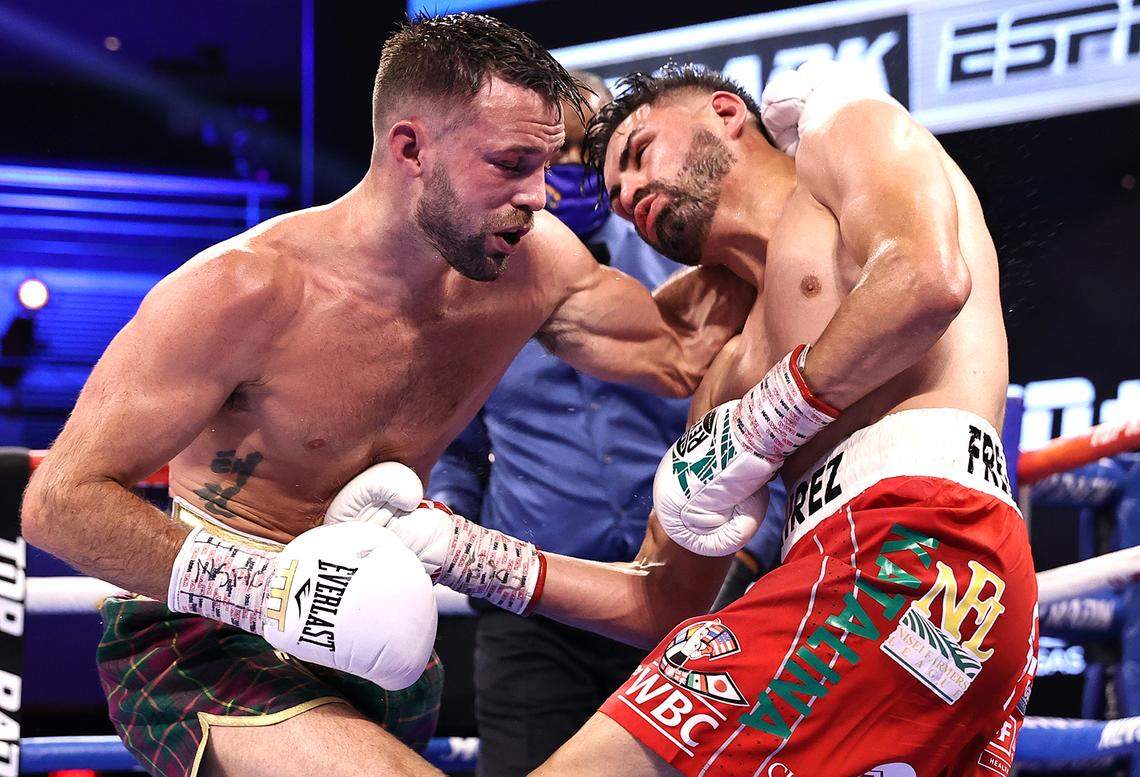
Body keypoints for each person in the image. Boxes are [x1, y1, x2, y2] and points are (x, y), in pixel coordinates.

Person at [18, 18, 753, 776]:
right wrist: (273, 592)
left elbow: (682, 352)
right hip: (210, 633)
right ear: (410, 149)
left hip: (386, 646)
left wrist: (775, 190)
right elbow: (58, 503)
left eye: (543, 165)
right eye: (510, 164)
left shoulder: (535, 270)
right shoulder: (244, 290)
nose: (538, 196)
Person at [372, 61, 1038, 775]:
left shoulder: (842, 134)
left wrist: (767, 421)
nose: (630, 193)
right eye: (617, 196)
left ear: (725, 112)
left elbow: (926, 281)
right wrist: (461, 551)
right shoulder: (730, 371)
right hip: (887, 576)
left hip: (920, 540)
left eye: (638, 152)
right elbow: (661, 598)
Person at [428, 70, 699, 776]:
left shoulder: (687, 266)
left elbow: (753, 414)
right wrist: (449, 524)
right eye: (553, 154)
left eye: (588, 151)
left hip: (686, 594)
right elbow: (456, 444)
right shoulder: (471, 290)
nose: (571, 167)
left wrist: (750, 557)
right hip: (534, 611)